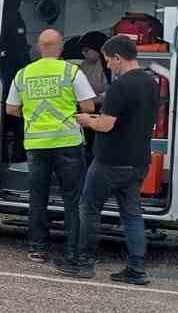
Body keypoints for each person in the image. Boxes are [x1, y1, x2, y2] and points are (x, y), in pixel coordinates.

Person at [67, 35, 160, 285]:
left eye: (109, 60)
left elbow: (106, 125)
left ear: (118, 58)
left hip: (110, 161)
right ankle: (136, 269)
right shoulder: (151, 82)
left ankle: (83, 263)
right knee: (131, 215)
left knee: (88, 208)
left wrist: (87, 120)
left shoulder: (120, 86)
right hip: (138, 161)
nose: (107, 65)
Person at [6, 28, 96, 266]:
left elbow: (11, 109)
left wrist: (33, 112)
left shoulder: (24, 74)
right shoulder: (71, 71)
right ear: (61, 46)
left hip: (36, 145)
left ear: (38, 47)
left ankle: (38, 249)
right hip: (67, 143)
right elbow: (88, 107)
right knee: (73, 200)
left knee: (37, 199)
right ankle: (72, 251)